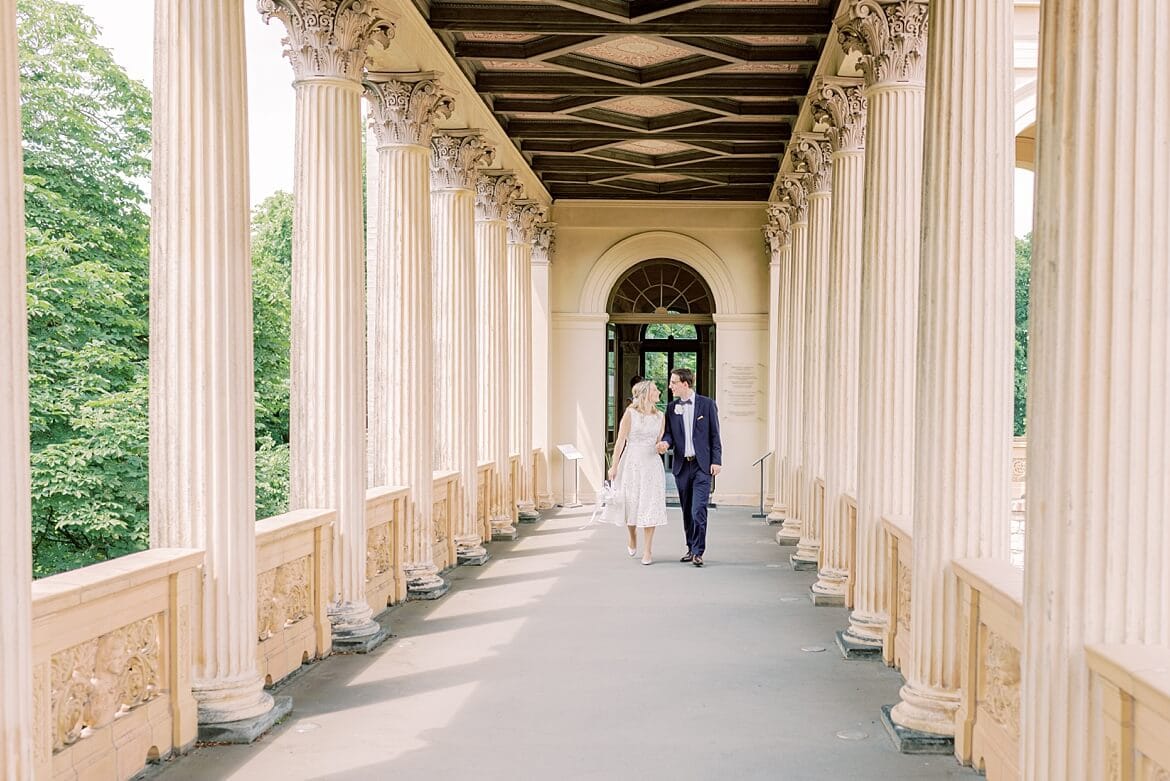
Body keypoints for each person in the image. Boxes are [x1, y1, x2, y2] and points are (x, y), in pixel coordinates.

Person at [657, 367, 721, 567]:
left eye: (673, 382)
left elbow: (715, 435)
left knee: (698, 509)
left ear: (685, 384)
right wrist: (665, 443)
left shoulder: (707, 405)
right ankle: (690, 547)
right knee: (686, 511)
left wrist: (716, 461)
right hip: (682, 466)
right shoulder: (671, 407)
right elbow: (669, 434)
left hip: (702, 466)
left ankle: (698, 551)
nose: (670, 386)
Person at [605, 380, 667, 564]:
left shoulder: (660, 416)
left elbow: (659, 440)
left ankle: (648, 551)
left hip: (652, 465)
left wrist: (661, 447)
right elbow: (620, 441)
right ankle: (632, 535)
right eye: (656, 389)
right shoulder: (630, 413)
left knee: (651, 505)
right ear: (646, 393)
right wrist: (614, 466)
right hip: (632, 463)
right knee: (631, 504)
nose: (659, 392)